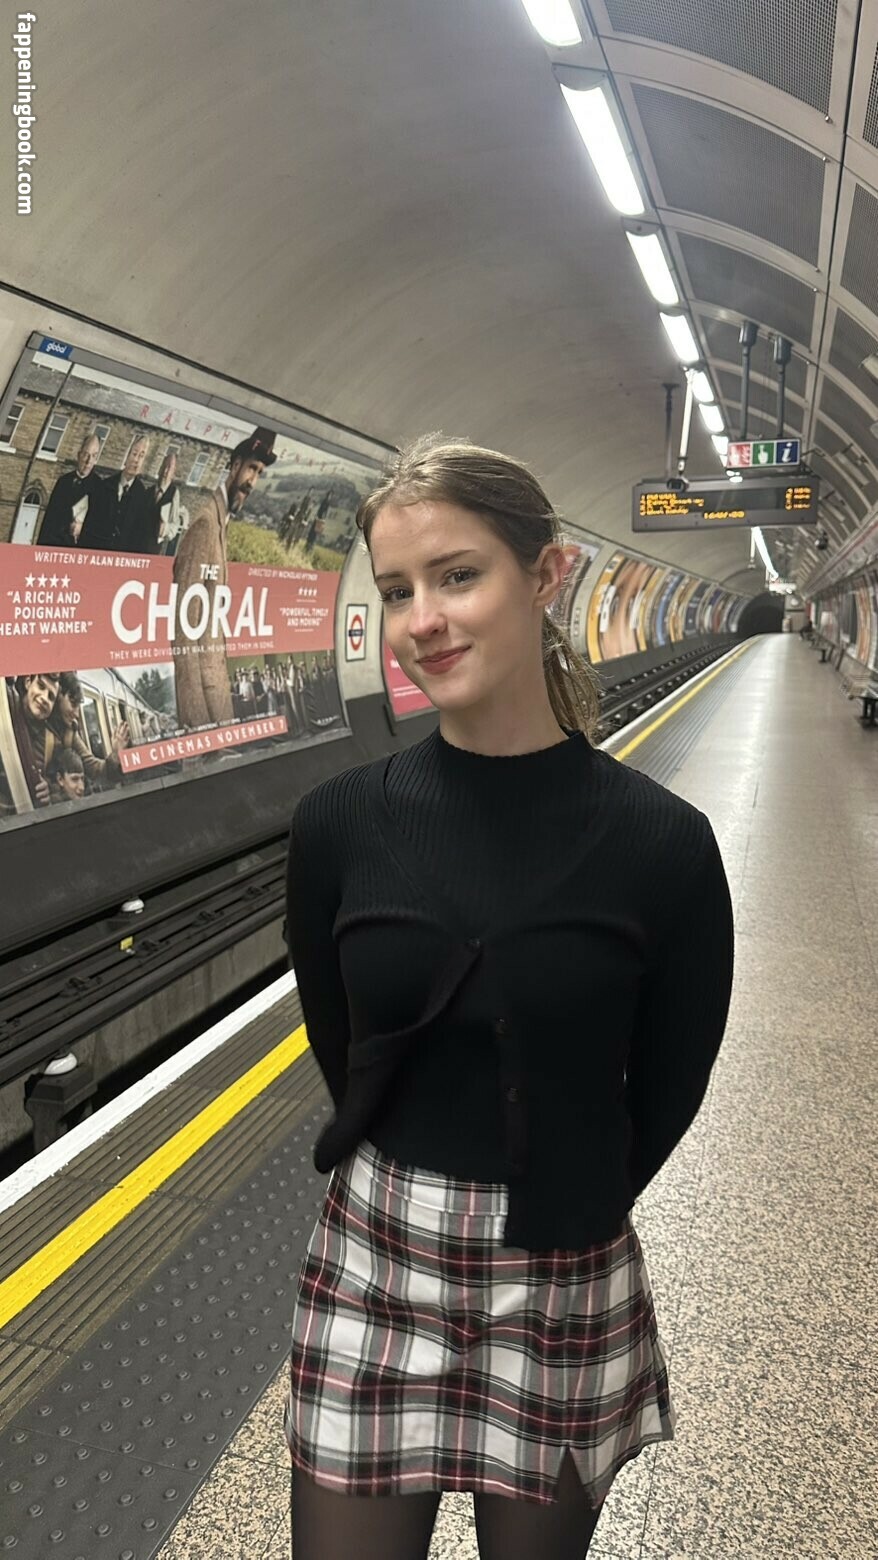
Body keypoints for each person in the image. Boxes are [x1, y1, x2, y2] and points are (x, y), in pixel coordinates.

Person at [283, 435, 734, 1560]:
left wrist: (568, 1192)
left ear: (545, 575)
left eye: (457, 576)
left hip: (560, 1264)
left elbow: (671, 1082)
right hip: (378, 1254)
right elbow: (344, 1046)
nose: (423, 620)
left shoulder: (662, 847)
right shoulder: (339, 825)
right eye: (396, 591)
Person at [172, 427, 277, 729]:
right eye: (251, 469)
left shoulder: (221, 523)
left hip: (217, 695)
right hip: (205, 708)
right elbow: (183, 631)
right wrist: (198, 724)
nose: (252, 482)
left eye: (259, 473)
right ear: (235, 466)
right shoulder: (206, 524)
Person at [47, 671, 128, 791]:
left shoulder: (69, 733)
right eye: (73, 704)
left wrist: (116, 755)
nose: (76, 714)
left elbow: (94, 769)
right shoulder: (36, 725)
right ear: (58, 695)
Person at [78, 433, 154, 552]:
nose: (136, 460)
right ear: (126, 456)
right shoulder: (103, 487)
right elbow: (88, 529)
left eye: (141, 456)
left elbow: (141, 543)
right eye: (134, 454)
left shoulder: (144, 498)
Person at [4, 671, 60, 808]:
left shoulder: (52, 742)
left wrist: (48, 791)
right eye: (41, 686)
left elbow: (54, 781)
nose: (44, 698)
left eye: (51, 697)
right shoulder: (5, 706)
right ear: (28, 682)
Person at [38, 432, 101, 545]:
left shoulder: (100, 487)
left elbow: (98, 527)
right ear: (79, 455)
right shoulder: (63, 481)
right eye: (86, 454)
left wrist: (82, 528)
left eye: (94, 456)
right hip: (55, 544)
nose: (88, 461)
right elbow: (49, 519)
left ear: (96, 459)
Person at [154, 451, 183, 554]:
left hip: (154, 547)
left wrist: (164, 530)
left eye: (169, 468)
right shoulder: (150, 491)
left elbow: (174, 524)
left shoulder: (173, 493)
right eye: (164, 466)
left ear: (173, 473)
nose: (165, 471)